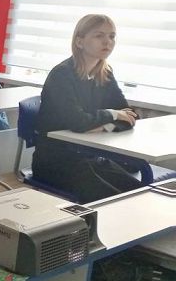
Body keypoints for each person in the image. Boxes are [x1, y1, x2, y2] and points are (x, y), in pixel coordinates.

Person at [32, 14, 142, 203]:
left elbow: (130, 116)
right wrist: (112, 115)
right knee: (114, 202)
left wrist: (104, 125)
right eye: (99, 36)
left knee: (139, 195)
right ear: (79, 42)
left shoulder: (105, 73)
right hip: (56, 162)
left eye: (112, 36)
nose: (107, 42)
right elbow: (78, 122)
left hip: (93, 158)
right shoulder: (62, 75)